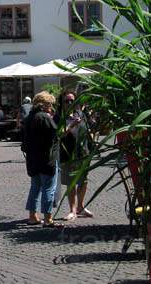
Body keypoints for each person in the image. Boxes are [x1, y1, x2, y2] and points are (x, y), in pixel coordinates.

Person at [24, 91, 60, 227]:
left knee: (35, 187)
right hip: (47, 158)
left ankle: (32, 216)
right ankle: (48, 218)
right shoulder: (44, 118)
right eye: (50, 104)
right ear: (44, 104)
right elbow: (55, 136)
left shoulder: (29, 118)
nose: (51, 107)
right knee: (48, 188)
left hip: (33, 158)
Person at [60, 92, 94, 220]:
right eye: (66, 101)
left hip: (83, 152)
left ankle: (80, 206)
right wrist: (71, 125)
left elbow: (88, 130)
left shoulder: (80, 114)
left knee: (84, 181)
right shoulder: (60, 117)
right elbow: (59, 135)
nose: (69, 103)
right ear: (62, 103)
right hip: (68, 154)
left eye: (72, 101)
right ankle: (72, 210)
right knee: (71, 182)